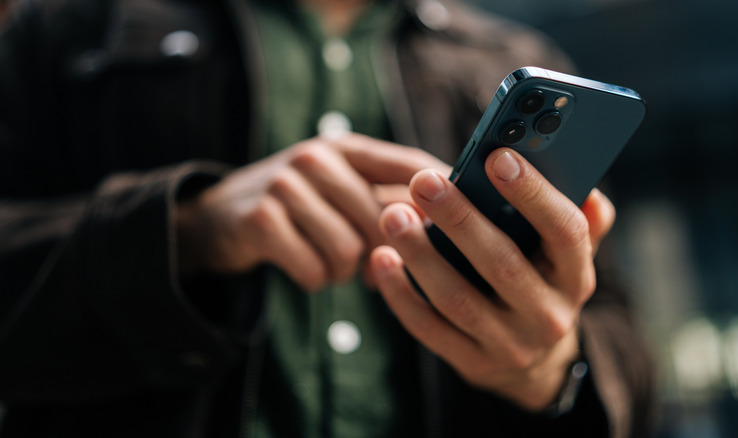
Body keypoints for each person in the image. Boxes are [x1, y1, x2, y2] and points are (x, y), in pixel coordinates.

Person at [0, 0, 654, 436]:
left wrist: (549, 370)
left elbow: (629, 353)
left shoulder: (500, 57)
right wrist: (193, 228)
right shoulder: (66, 31)